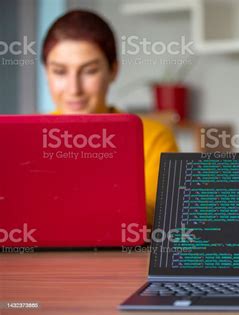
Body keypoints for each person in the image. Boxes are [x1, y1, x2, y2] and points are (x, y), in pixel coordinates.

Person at [41, 10, 179, 226]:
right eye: (59, 72)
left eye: (89, 71)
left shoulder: (152, 137)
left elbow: (156, 218)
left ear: (113, 70)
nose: (74, 89)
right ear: (46, 72)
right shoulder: (23, 139)